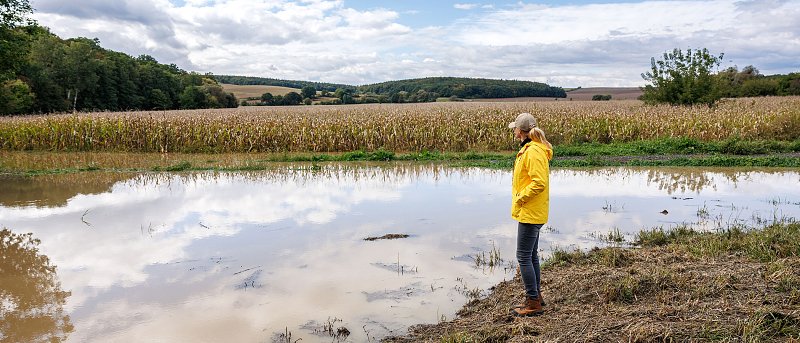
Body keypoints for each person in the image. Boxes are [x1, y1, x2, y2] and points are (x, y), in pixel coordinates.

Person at [508, 112, 553, 317]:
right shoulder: (532, 148)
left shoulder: (533, 151)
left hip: (530, 211)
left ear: (521, 131)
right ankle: (536, 296)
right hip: (534, 210)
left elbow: (539, 183)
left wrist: (520, 198)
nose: (514, 132)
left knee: (523, 257)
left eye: (515, 129)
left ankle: (533, 302)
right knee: (531, 255)